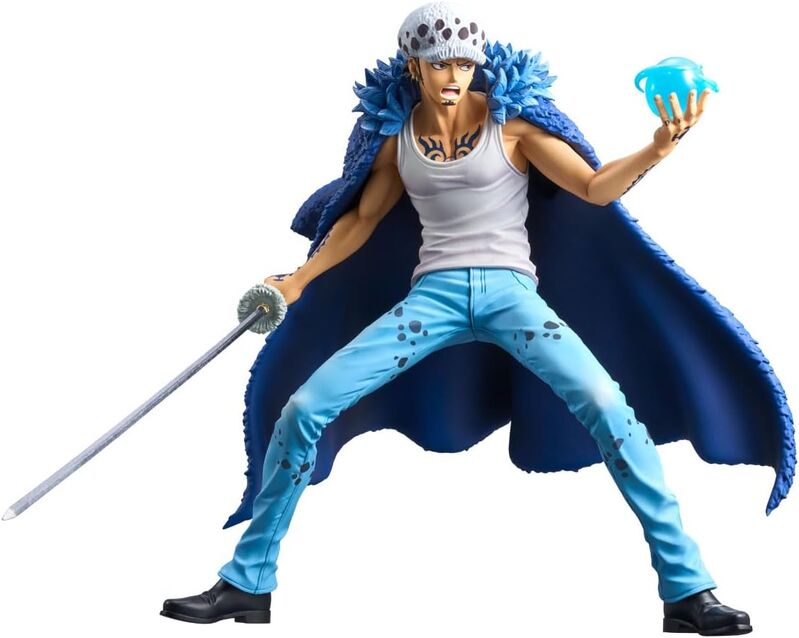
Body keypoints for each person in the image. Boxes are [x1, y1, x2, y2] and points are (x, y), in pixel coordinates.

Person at [160, 2, 788, 633]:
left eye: (464, 63)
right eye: (440, 64)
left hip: (513, 298)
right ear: (415, 66)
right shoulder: (398, 139)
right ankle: (247, 583)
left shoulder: (512, 126)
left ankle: (687, 590)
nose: (453, 75)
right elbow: (363, 219)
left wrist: (656, 147)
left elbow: (594, 188)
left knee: (608, 406)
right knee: (304, 408)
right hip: (429, 301)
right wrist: (298, 280)